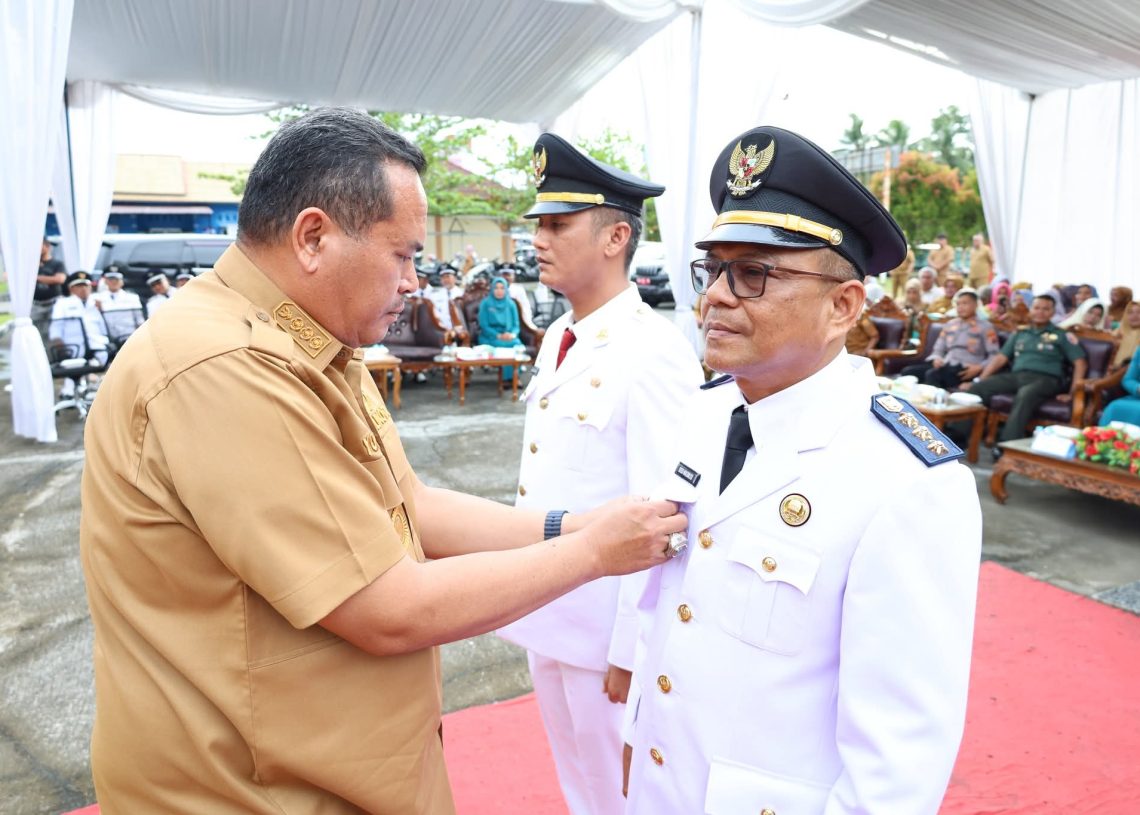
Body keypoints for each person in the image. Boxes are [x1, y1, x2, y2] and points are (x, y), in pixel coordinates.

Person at [79, 107, 686, 814]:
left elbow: (414, 505)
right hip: (255, 790)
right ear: (313, 238)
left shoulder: (314, 343)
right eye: (401, 255)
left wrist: (573, 526)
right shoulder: (227, 366)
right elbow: (387, 608)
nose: (412, 281)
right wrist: (592, 554)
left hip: (320, 769)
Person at [622, 125, 981, 815]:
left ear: (843, 306)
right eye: (714, 269)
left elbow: (898, 766)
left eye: (755, 272)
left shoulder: (906, 482)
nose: (717, 297)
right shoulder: (707, 414)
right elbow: (672, 606)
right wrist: (639, 731)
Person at [497, 133, 703, 815]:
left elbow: (663, 512)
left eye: (558, 224)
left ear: (616, 236)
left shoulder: (653, 352)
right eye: (539, 225)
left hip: (603, 630)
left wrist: (632, 647)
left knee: (625, 793)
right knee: (579, 783)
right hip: (551, 602)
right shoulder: (564, 335)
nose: (540, 239)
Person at [968, 295, 1087, 448]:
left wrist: (1072, 393)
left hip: (1046, 380)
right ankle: (960, 435)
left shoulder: (1062, 335)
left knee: (1026, 394)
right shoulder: (1020, 333)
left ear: (1052, 312)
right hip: (1017, 376)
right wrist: (980, 379)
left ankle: (1006, 447)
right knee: (978, 388)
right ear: (1031, 310)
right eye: (1037, 308)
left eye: (1046, 309)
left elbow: (1080, 363)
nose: (1040, 312)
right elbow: (1000, 358)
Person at [898, 288, 1000, 389]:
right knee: (908, 372)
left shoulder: (986, 327)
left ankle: (932, 404)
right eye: (958, 304)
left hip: (966, 368)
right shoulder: (950, 324)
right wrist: (936, 359)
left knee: (933, 375)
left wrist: (980, 367)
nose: (960, 307)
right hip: (946, 364)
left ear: (976, 305)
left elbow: (994, 354)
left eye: (965, 303)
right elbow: (938, 349)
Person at [49, 272, 110, 396]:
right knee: (74, 368)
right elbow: (56, 329)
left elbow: (104, 329)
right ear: (71, 288)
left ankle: (97, 388)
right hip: (73, 347)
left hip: (96, 345)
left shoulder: (96, 303)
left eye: (86, 286)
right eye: (79, 286)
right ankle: (70, 391)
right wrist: (60, 346)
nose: (83, 289)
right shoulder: (63, 303)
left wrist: (102, 310)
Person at [477, 276, 524, 381]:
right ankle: (508, 379)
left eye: (502, 288)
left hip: (508, 335)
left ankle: (515, 376)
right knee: (505, 346)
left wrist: (512, 334)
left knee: (517, 344)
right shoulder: (485, 303)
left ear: (506, 289)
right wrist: (498, 335)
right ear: (492, 289)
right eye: (496, 288)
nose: (499, 291)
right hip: (489, 337)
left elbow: (516, 325)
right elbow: (483, 325)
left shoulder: (511, 304)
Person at [33, 237, 67, 344]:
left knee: (53, 331)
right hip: (36, 304)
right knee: (36, 332)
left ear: (47, 247)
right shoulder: (32, 264)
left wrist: (37, 278)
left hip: (53, 302)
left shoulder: (57, 264)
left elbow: (60, 279)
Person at [1100, 350, 1140, 426]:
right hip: (1136, 398)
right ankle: (1105, 437)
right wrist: (1137, 387)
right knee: (1114, 407)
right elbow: (1128, 380)